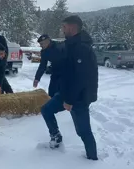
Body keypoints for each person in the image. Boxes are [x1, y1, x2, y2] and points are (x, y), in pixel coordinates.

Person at [40, 15, 98, 160]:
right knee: (46, 109)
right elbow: (65, 68)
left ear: (72, 28)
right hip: (66, 93)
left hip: (79, 97)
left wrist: (70, 101)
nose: (62, 29)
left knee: (83, 131)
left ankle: (92, 159)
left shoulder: (82, 48)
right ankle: (56, 136)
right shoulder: (69, 44)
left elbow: (80, 79)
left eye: (64, 27)